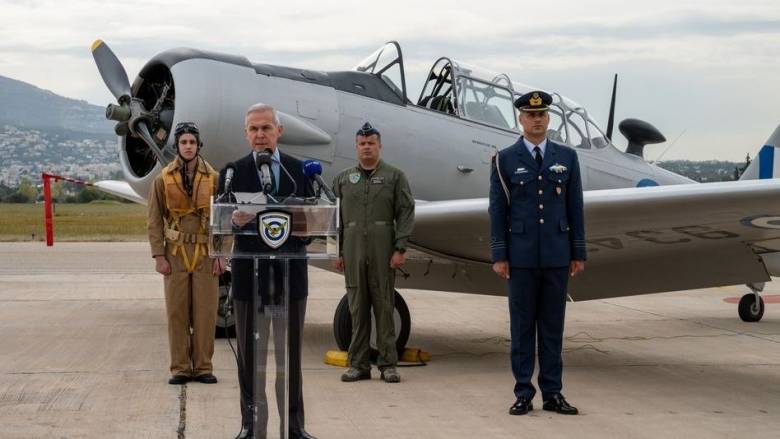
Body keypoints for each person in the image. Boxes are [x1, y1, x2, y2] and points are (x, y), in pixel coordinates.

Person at [220, 103, 317, 439]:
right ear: (246, 134)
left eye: (266, 128)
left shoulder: (299, 171)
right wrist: (233, 220)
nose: (260, 135)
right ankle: (251, 427)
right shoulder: (232, 172)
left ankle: (294, 427)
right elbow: (220, 225)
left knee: (289, 360)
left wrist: (303, 220)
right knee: (251, 360)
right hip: (251, 276)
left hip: (290, 278)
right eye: (253, 129)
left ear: (279, 131)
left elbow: (316, 226)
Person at [488, 91, 586, 416]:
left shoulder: (568, 158)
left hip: (557, 256)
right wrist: (500, 254)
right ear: (521, 119)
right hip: (521, 257)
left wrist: (578, 252)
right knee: (522, 328)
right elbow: (498, 209)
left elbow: (575, 208)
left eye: (542, 114)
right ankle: (523, 393)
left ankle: (553, 393)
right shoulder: (505, 159)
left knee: (552, 328)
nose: (537, 119)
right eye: (531, 115)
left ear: (548, 119)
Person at [332, 122, 415, 384]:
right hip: (353, 247)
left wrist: (400, 246)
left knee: (384, 306)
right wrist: (337, 250)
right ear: (356, 147)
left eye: (371, 143)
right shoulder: (344, 179)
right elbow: (335, 218)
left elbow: (405, 211)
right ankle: (358, 364)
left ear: (379, 146)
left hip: (383, 248)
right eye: (362, 143)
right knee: (357, 308)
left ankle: (388, 364)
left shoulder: (394, 176)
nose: (366, 147)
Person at [147, 121, 224, 385]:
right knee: (176, 312)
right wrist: (159, 255)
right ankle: (179, 367)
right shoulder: (162, 179)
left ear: (198, 145)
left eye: (192, 142)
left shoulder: (214, 179)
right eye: (184, 142)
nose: (188, 146)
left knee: (206, 311)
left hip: (205, 252)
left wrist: (221, 254)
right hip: (176, 252)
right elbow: (154, 219)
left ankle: (203, 366)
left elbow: (224, 220)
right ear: (177, 146)